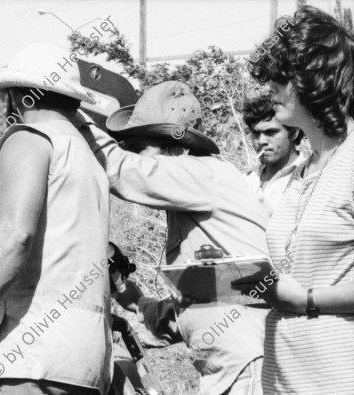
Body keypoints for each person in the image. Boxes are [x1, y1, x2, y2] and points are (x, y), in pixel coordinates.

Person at [78, 81, 271, 395]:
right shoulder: (195, 197)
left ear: (178, 147)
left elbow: (120, 169)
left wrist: (67, 113)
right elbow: (215, 293)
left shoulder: (203, 173)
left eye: (141, 148)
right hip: (234, 365)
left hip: (246, 362)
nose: (134, 156)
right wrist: (136, 301)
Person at [0, 42, 112, 395]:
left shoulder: (28, 139)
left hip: (28, 351)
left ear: (20, 98)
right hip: (84, 358)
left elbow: (13, 236)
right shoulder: (89, 158)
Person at [242, 6, 354, 393]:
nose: (269, 87)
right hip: (283, 380)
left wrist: (305, 298)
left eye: (280, 77)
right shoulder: (302, 172)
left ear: (316, 80)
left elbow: (302, 291)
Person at [242, 94, 306, 214]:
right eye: (256, 133)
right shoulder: (248, 179)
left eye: (270, 132)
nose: (261, 141)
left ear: (293, 133)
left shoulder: (307, 179)